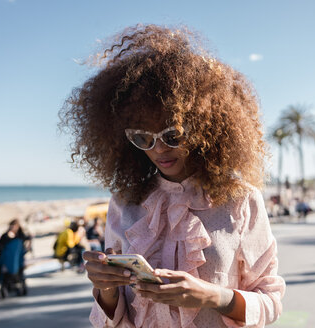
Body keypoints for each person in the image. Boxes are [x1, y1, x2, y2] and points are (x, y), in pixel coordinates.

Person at [60, 24, 285, 327]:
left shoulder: (242, 200)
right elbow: (113, 319)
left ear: (205, 127)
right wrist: (106, 288)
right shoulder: (124, 203)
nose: (159, 149)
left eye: (173, 134)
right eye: (142, 138)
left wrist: (211, 296)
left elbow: (270, 302)